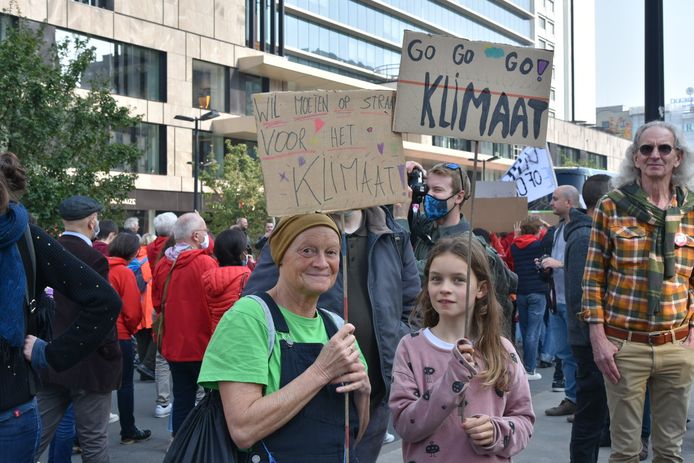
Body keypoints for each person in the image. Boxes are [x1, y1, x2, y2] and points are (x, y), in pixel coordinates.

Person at [242, 206, 420, 462]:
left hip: (374, 395)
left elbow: (413, 308)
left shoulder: (394, 234)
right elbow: (258, 303)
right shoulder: (298, 227)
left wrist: (394, 350)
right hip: (309, 402)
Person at [198, 213, 370, 460]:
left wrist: (363, 393)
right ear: (280, 257)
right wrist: (321, 372)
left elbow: (352, 435)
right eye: (308, 251)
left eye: (331, 252)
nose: (322, 263)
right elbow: (243, 430)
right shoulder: (248, 318)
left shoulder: (336, 325)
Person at [583, 120, 694, 462]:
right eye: (646, 149)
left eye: (664, 148)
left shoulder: (691, 210)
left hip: (677, 344)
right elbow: (592, 278)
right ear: (635, 157)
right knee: (626, 452)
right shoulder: (611, 206)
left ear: (678, 157)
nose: (655, 155)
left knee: (669, 452)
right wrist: (598, 338)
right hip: (624, 346)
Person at [0, 154, 121, 463]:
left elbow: (103, 302)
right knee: (90, 441)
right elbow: (105, 307)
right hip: (34, 377)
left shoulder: (28, 239)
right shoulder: (35, 240)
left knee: (65, 436)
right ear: (93, 222)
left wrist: (52, 354)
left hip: (21, 389)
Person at [389, 235, 534, 461]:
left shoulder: (501, 349)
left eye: (458, 280)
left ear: (481, 289)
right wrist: (452, 379)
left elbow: (524, 419)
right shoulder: (411, 348)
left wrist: (497, 431)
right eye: (436, 279)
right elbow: (406, 425)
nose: (445, 288)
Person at [30, 194, 123, 463]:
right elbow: (102, 312)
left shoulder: (45, 250)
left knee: (35, 439)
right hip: (90, 362)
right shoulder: (94, 258)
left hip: (50, 357)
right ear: (93, 221)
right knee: (94, 443)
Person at [393, 162, 518, 339]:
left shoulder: (466, 247)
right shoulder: (425, 228)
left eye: (437, 190)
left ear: (458, 197)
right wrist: (402, 175)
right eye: (426, 189)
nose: (428, 196)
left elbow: (407, 272)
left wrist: (400, 219)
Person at [151, 212, 217, 435]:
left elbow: (157, 304)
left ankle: (179, 445)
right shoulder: (206, 264)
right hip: (203, 344)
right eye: (205, 232)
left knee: (182, 398)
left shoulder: (162, 265)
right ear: (197, 236)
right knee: (212, 399)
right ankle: (205, 445)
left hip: (173, 345)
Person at [563, 174, 611, 462]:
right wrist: (596, 336)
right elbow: (582, 296)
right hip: (588, 342)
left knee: (594, 415)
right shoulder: (585, 236)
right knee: (589, 417)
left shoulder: (592, 232)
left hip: (594, 340)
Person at [107, 233, 152, 444]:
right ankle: (128, 430)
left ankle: (81, 436)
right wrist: (131, 329)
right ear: (133, 252)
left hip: (99, 333)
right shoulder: (124, 273)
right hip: (120, 334)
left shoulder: (100, 267)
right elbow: (132, 311)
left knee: (96, 386)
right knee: (125, 384)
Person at [540, 185, 580, 417]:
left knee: (578, 355)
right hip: (556, 300)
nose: (551, 203)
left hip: (573, 302)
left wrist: (559, 264)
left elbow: (584, 264)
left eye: (555, 199)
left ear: (569, 203)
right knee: (564, 354)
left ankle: (581, 402)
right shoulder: (557, 230)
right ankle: (572, 398)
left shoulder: (581, 229)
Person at [509, 216, 550, 381]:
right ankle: (530, 369)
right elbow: (550, 236)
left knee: (526, 330)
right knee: (534, 331)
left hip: (521, 292)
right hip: (537, 291)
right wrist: (546, 225)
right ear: (536, 230)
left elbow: (509, 259)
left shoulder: (514, 246)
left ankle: (525, 366)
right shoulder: (538, 246)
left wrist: (516, 236)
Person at [202, 228, 251, 332]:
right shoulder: (247, 276)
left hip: (216, 333)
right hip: (240, 332)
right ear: (242, 253)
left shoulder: (206, 277)